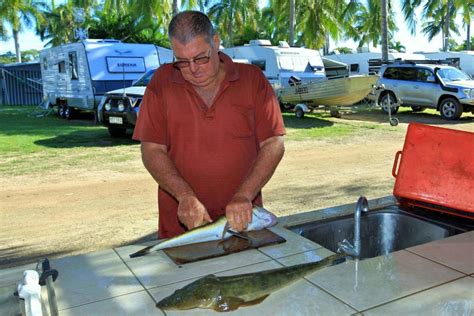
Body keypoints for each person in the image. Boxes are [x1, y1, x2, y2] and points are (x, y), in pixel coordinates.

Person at [133, 11, 285, 238]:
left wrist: (244, 195)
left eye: (201, 58)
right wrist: (184, 195)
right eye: (182, 62)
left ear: (216, 42)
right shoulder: (162, 82)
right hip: (183, 227)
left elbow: (274, 143)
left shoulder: (252, 80)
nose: (193, 69)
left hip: (243, 222)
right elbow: (152, 149)